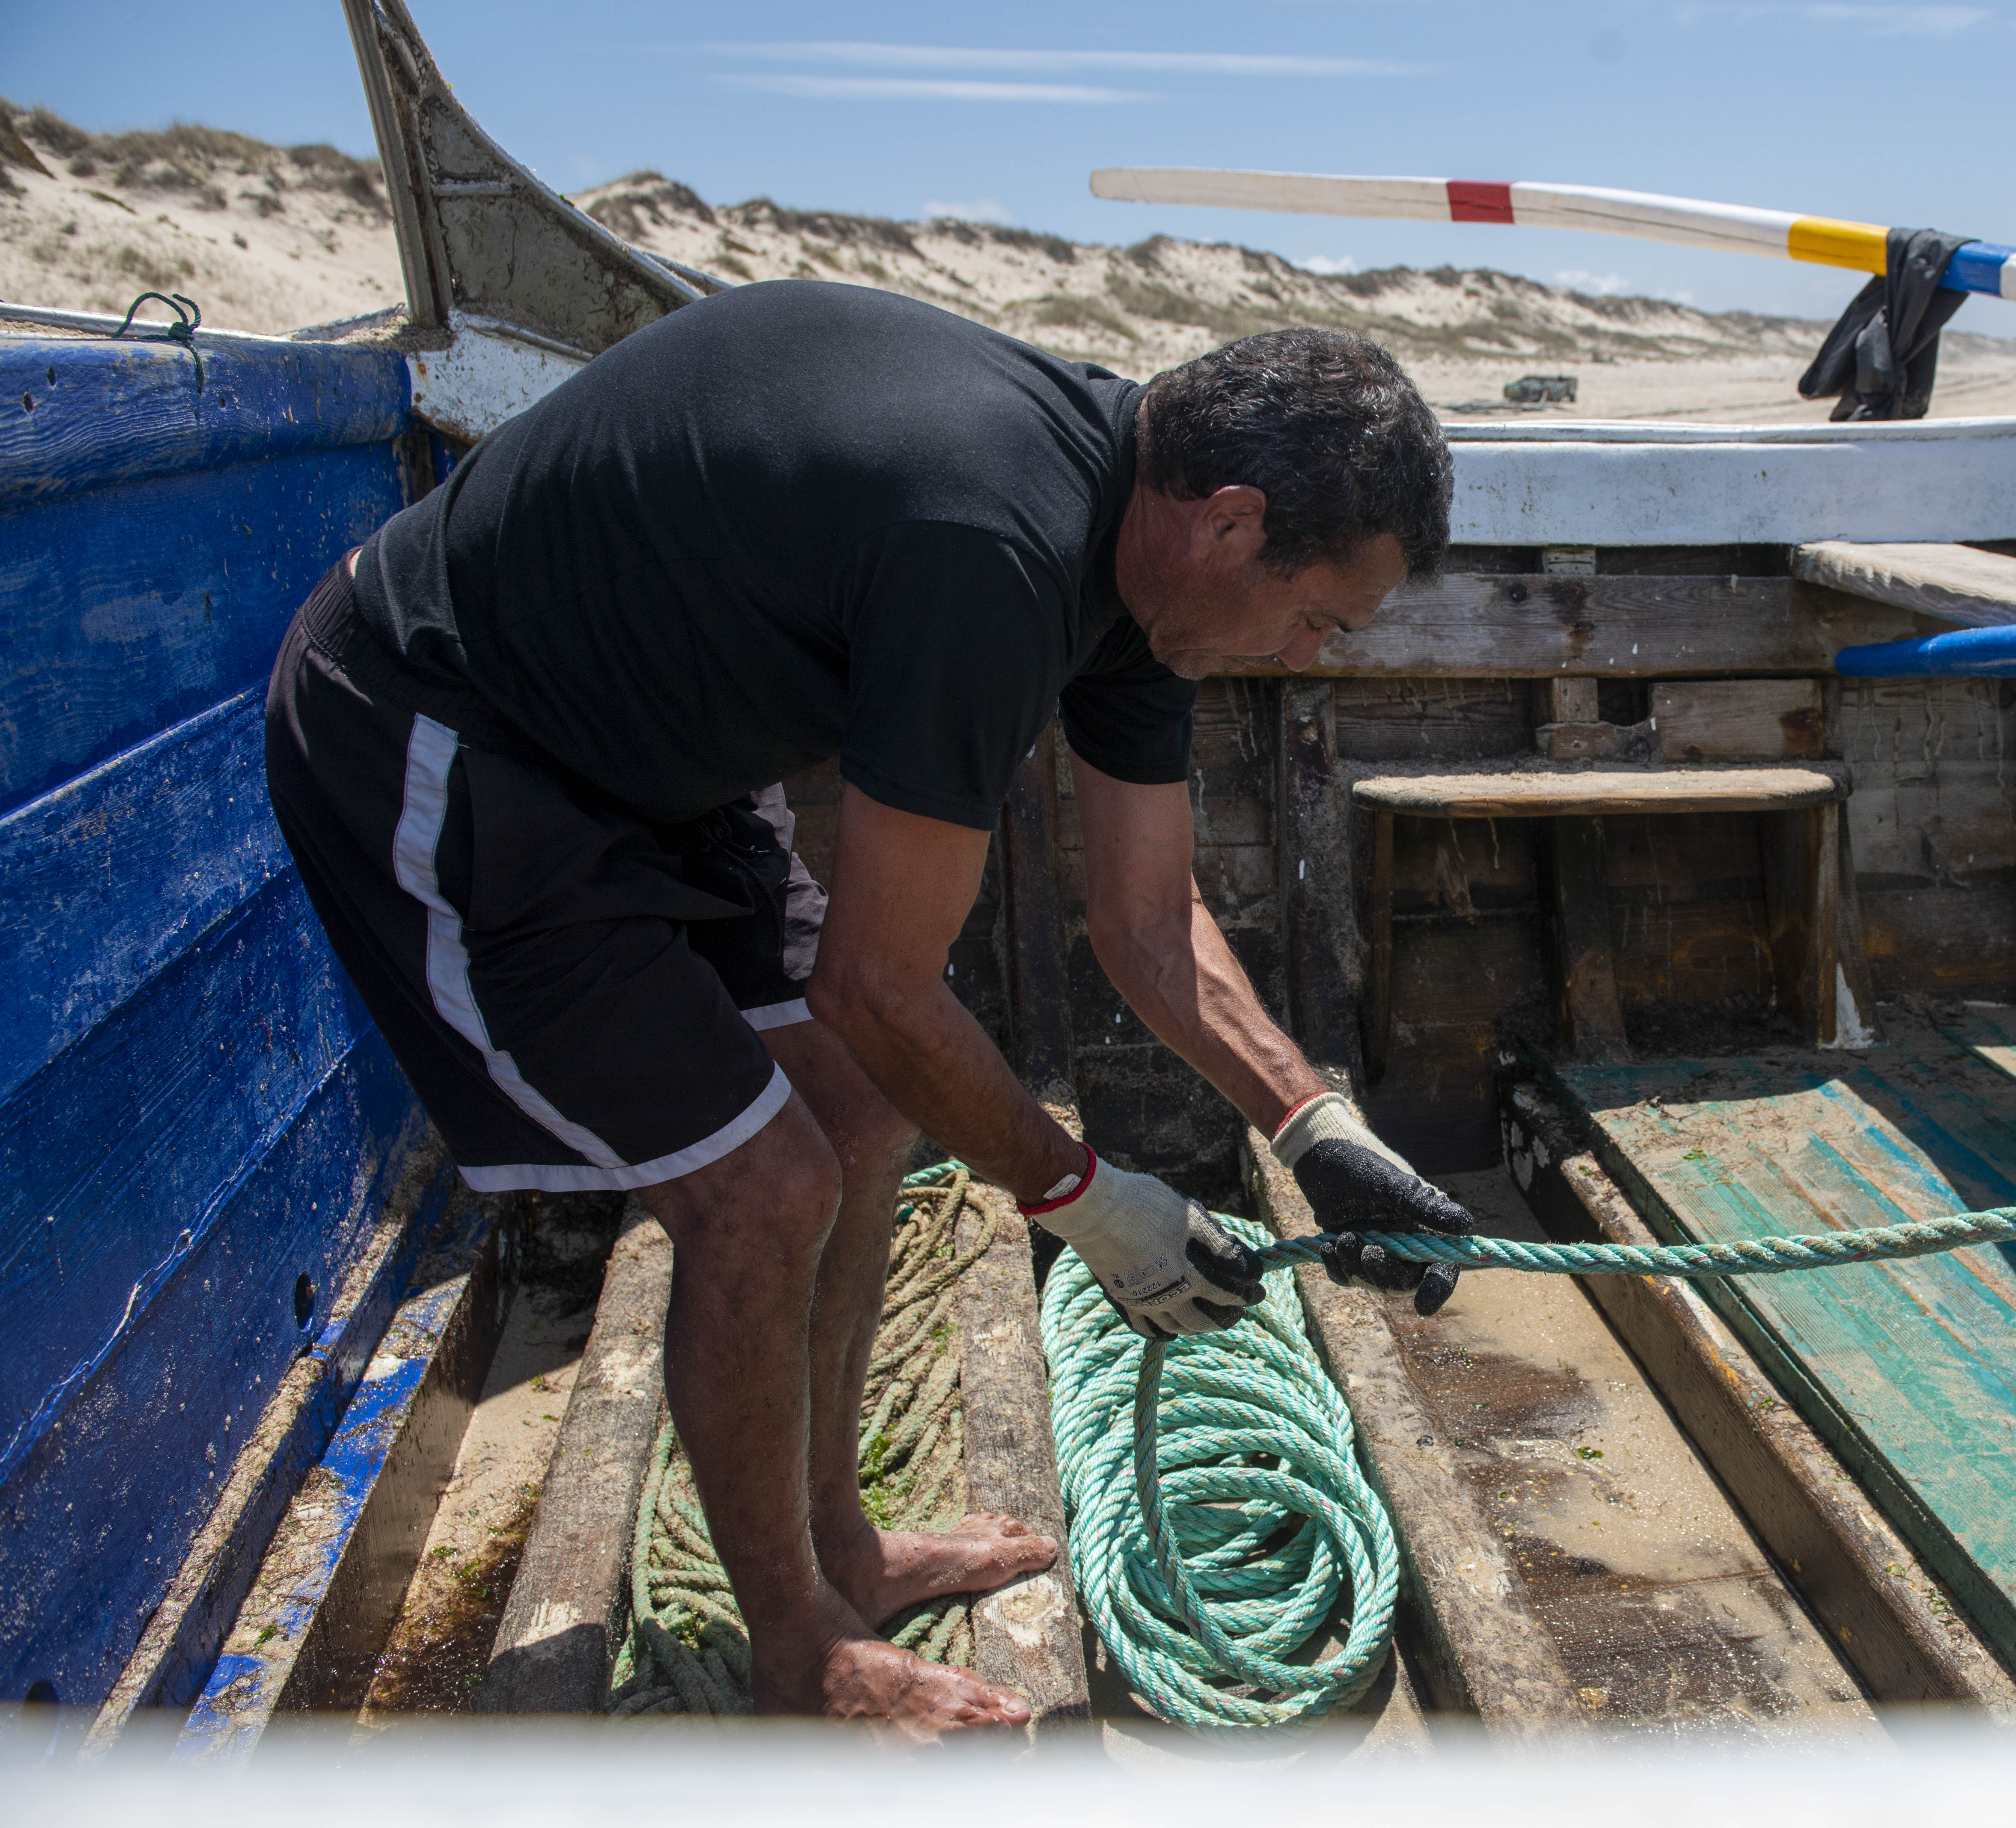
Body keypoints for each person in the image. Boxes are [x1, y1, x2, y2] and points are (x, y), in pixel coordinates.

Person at [262, 284, 1477, 1739]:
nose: (1305, 658)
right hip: (446, 723)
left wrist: (1316, 1119)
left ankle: (837, 1547)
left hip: (657, 754)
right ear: (1228, 523)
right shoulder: (989, 547)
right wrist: (1085, 1199)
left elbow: (1146, 922)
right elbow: (878, 984)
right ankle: (799, 1653)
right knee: (762, 1189)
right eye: (1316, 618)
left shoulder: (1143, 577)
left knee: (859, 1102)